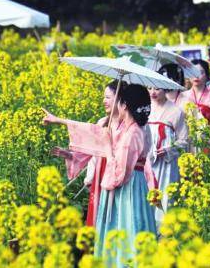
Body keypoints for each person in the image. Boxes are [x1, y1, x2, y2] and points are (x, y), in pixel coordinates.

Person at [43, 83, 157, 267]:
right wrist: (59, 122)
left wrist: (106, 146)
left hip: (126, 184)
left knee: (129, 225)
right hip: (117, 182)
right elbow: (89, 135)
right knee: (115, 224)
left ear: (124, 104)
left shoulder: (135, 130)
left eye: (111, 98)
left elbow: (121, 170)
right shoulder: (114, 125)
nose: (106, 101)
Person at [51, 81, 120, 227]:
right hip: (99, 175)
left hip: (116, 175)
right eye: (104, 97)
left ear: (119, 99)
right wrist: (69, 155)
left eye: (108, 97)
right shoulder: (102, 122)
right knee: (97, 216)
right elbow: (92, 152)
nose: (104, 101)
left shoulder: (127, 126)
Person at [147, 85, 188, 230]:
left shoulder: (176, 111)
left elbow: (184, 141)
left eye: (157, 88)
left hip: (166, 165)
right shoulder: (145, 108)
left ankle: (164, 233)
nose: (153, 92)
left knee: (165, 197)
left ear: (165, 89)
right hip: (146, 163)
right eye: (149, 88)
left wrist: (168, 150)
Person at [180, 59, 210, 127]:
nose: (196, 76)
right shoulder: (182, 96)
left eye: (200, 72)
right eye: (192, 72)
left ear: (207, 75)